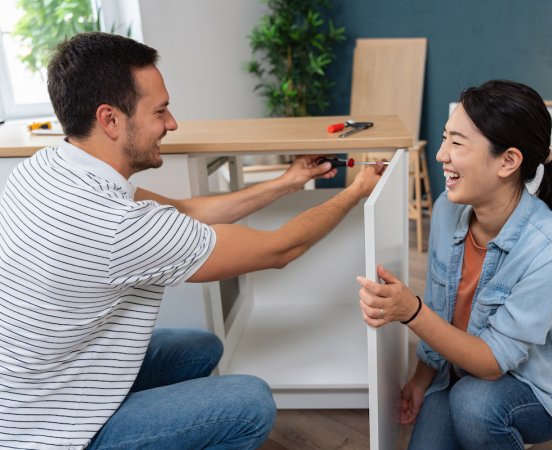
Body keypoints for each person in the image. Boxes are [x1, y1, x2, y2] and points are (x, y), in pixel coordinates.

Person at [0, 32, 384, 449]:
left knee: (199, 349)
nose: (172, 123)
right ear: (110, 119)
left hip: (31, 390)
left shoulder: (47, 166)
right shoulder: (118, 227)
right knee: (249, 402)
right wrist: (356, 190)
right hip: (49, 434)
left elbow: (187, 210)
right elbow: (280, 250)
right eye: (160, 111)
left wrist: (288, 182)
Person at [357, 80, 552, 449]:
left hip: (534, 391)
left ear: (508, 161)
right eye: (445, 138)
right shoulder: (449, 211)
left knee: (474, 405)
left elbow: (493, 362)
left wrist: (409, 311)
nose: (441, 155)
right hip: (457, 374)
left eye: (457, 143)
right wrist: (420, 381)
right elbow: (438, 306)